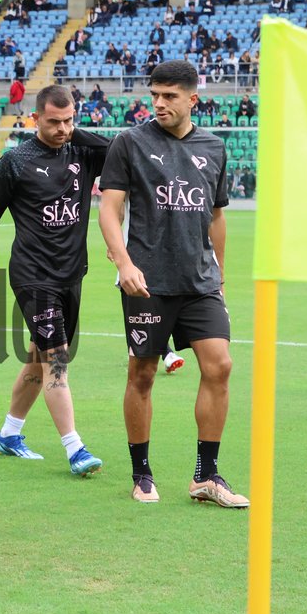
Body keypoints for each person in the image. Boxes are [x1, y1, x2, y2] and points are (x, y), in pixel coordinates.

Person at [97, 60, 246, 508]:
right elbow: (109, 210)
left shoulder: (214, 147)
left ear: (192, 99)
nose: (159, 104)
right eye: (154, 95)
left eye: (169, 96)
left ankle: (207, 476)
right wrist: (123, 263)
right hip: (148, 281)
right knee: (142, 374)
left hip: (200, 281)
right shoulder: (130, 143)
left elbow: (217, 215)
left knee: (219, 366)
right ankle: (142, 474)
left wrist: (219, 273)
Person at [0, 85, 107, 475]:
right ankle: (75, 449)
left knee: (39, 355)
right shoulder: (15, 162)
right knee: (57, 359)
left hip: (72, 273)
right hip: (33, 275)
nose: (63, 129)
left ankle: (9, 433)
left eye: (69, 120)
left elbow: (114, 151)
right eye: (54, 122)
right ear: (35, 119)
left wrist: (74, 132)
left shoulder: (81, 151)